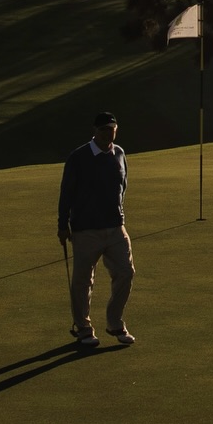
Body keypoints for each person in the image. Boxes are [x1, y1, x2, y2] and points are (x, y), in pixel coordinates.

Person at [57, 110, 135, 349]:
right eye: (103, 129)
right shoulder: (78, 157)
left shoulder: (119, 153)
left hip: (115, 228)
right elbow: (66, 192)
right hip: (85, 230)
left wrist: (118, 214)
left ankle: (115, 322)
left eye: (112, 129)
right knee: (83, 281)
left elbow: (122, 187)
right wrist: (63, 224)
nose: (108, 133)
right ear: (95, 130)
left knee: (126, 272)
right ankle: (83, 327)